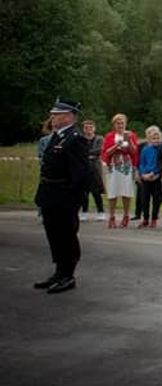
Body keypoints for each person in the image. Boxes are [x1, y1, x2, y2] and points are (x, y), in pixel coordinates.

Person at [34, 98, 88, 294]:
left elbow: (80, 174)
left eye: (57, 114)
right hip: (50, 194)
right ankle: (58, 272)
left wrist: (73, 199)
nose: (53, 117)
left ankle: (68, 275)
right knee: (54, 235)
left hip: (64, 196)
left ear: (69, 116)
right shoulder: (57, 137)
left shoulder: (75, 139)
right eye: (53, 114)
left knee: (66, 236)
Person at [100, 113, 139, 228]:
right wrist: (116, 147)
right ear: (114, 124)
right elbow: (105, 152)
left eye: (122, 123)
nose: (120, 125)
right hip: (113, 166)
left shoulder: (131, 135)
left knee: (126, 191)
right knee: (113, 191)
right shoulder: (109, 136)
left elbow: (134, 152)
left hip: (126, 166)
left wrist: (129, 142)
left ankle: (126, 215)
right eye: (118, 123)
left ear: (125, 124)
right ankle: (111, 216)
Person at [136, 126, 162, 228]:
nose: (156, 140)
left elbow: (161, 163)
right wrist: (143, 174)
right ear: (149, 139)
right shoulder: (145, 149)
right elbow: (141, 163)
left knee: (157, 199)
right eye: (153, 138)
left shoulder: (161, 149)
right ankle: (145, 218)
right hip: (145, 177)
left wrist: (154, 173)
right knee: (145, 199)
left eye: (157, 138)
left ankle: (154, 218)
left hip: (156, 177)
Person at [79, 119, 105, 221]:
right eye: (86, 128)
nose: (88, 129)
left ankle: (101, 211)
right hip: (83, 168)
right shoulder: (80, 139)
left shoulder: (99, 139)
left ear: (94, 128)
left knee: (96, 192)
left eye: (90, 127)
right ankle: (84, 212)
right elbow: (78, 151)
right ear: (83, 129)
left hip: (95, 168)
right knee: (84, 192)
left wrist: (86, 153)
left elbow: (99, 150)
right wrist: (88, 155)